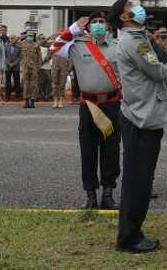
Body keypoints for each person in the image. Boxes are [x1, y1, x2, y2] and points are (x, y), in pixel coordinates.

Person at [111, 0, 167, 254]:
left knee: (141, 177)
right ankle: (129, 236)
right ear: (125, 17)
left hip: (144, 115)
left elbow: (151, 80)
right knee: (137, 180)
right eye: (130, 7)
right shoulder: (133, 41)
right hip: (141, 119)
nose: (137, 9)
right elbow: (158, 72)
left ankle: (133, 232)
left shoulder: (137, 38)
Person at [50, 12, 123, 210]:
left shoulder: (118, 47)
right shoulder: (76, 45)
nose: (98, 25)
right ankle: (90, 195)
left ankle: (108, 194)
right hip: (88, 105)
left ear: (108, 26)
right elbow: (53, 47)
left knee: (111, 150)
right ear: (88, 27)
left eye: (102, 22)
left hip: (112, 104)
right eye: (94, 22)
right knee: (88, 150)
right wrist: (73, 29)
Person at [13, 29, 42, 108]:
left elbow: (39, 56)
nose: (30, 37)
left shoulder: (36, 45)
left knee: (34, 84)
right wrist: (20, 37)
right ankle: (26, 101)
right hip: (25, 66)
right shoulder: (22, 44)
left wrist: (39, 66)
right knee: (26, 84)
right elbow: (13, 43)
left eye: (31, 36)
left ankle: (32, 101)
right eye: (29, 36)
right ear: (26, 36)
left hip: (34, 67)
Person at [4, 28, 22, 101]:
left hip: (16, 66)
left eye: (14, 38)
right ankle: (7, 96)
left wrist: (14, 63)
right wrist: (9, 63)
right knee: (8, 82)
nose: (12, 39)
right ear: (9, 39)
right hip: (8, 67)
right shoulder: (6, 46)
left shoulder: (19, 46)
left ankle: (17, 96)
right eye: (11, 38)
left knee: (17, 81)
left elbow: (20, 56)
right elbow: (4, 56)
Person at [50, 45, 71, 109]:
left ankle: (61, 100)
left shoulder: (66, 48)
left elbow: (70, 59)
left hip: (63, 68)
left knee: (62, 84)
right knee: (55, 84)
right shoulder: (54, 47)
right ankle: (55, 100)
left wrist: (68, 69)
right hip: (55, 68)